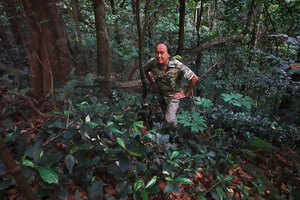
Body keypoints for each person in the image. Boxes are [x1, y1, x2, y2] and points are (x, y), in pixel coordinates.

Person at [144, 43, 198, 126]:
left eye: (162, 53)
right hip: (161, 95)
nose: (158, 56)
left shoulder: (177, 65)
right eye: (157, 53)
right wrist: (152, 83)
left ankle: (177, 136)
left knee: (169, 119)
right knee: (167, 116)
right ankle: (170, 134)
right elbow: (145, 70)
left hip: (173, 96)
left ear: (168, 54)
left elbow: (194, 78)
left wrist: (185, 93)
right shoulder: (152, 63)